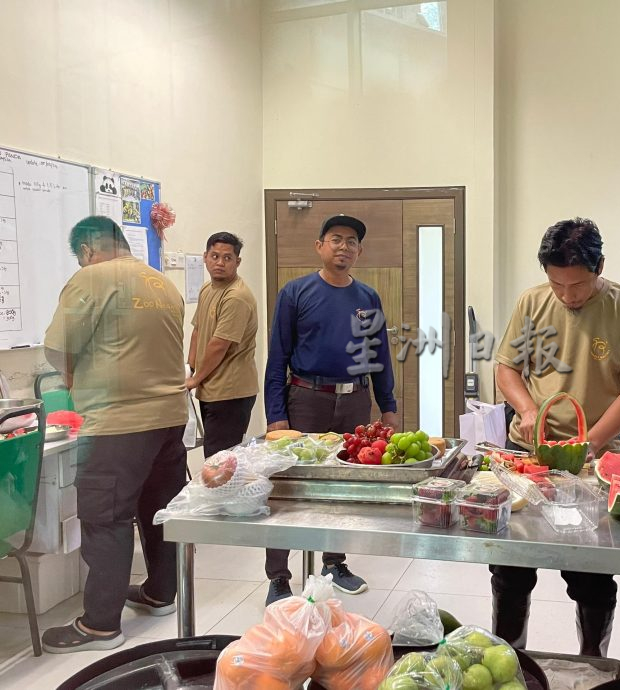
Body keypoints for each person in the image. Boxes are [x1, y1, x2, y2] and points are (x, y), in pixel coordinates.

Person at [492, 217, 620, 657]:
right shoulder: (532, 302)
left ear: (600, 267)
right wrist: (527, 410)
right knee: (511, 566)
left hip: (593, 456)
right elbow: (506, 368)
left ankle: (593, 660)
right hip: (527, 451)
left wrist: (591, 445)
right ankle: (511, 657)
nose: (568, 297)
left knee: (590, 571)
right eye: (557, 285)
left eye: (578, 286)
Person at [40, 217, 187, 652]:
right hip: (168, 417)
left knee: (105, 517)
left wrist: (71, 376)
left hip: (117, 422)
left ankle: (99, 626)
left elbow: (57, 347)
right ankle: (161, 594)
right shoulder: (162, 283)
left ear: (87, 250)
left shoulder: (91, 278)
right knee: (158, 510)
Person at [263, 213, 398, 604]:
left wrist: (387, 406)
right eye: (335, 239)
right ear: (320, 246)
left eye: (352, 241)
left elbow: (380, 356)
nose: (344, 247)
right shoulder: (295, 292)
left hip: (354, 399)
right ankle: (278, 576)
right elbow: (278, 358)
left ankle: (334, 561)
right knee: (288, 486)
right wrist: (277, 414)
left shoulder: (368, 297)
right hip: (306, 398)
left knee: (343, 486)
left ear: (360, 250)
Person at [187, 232, 258, 457]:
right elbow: (198, 331)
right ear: (205, 257)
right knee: (213, 457)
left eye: (227, 258)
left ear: (237, 262)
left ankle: (225, 494)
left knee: (221, 462)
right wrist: (189, 369)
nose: (220, 263)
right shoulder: (207, 289)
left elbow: (219, 344)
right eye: (215, 256)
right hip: (210, 389)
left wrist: (195, 380)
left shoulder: (236, 296)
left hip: (231, 393)